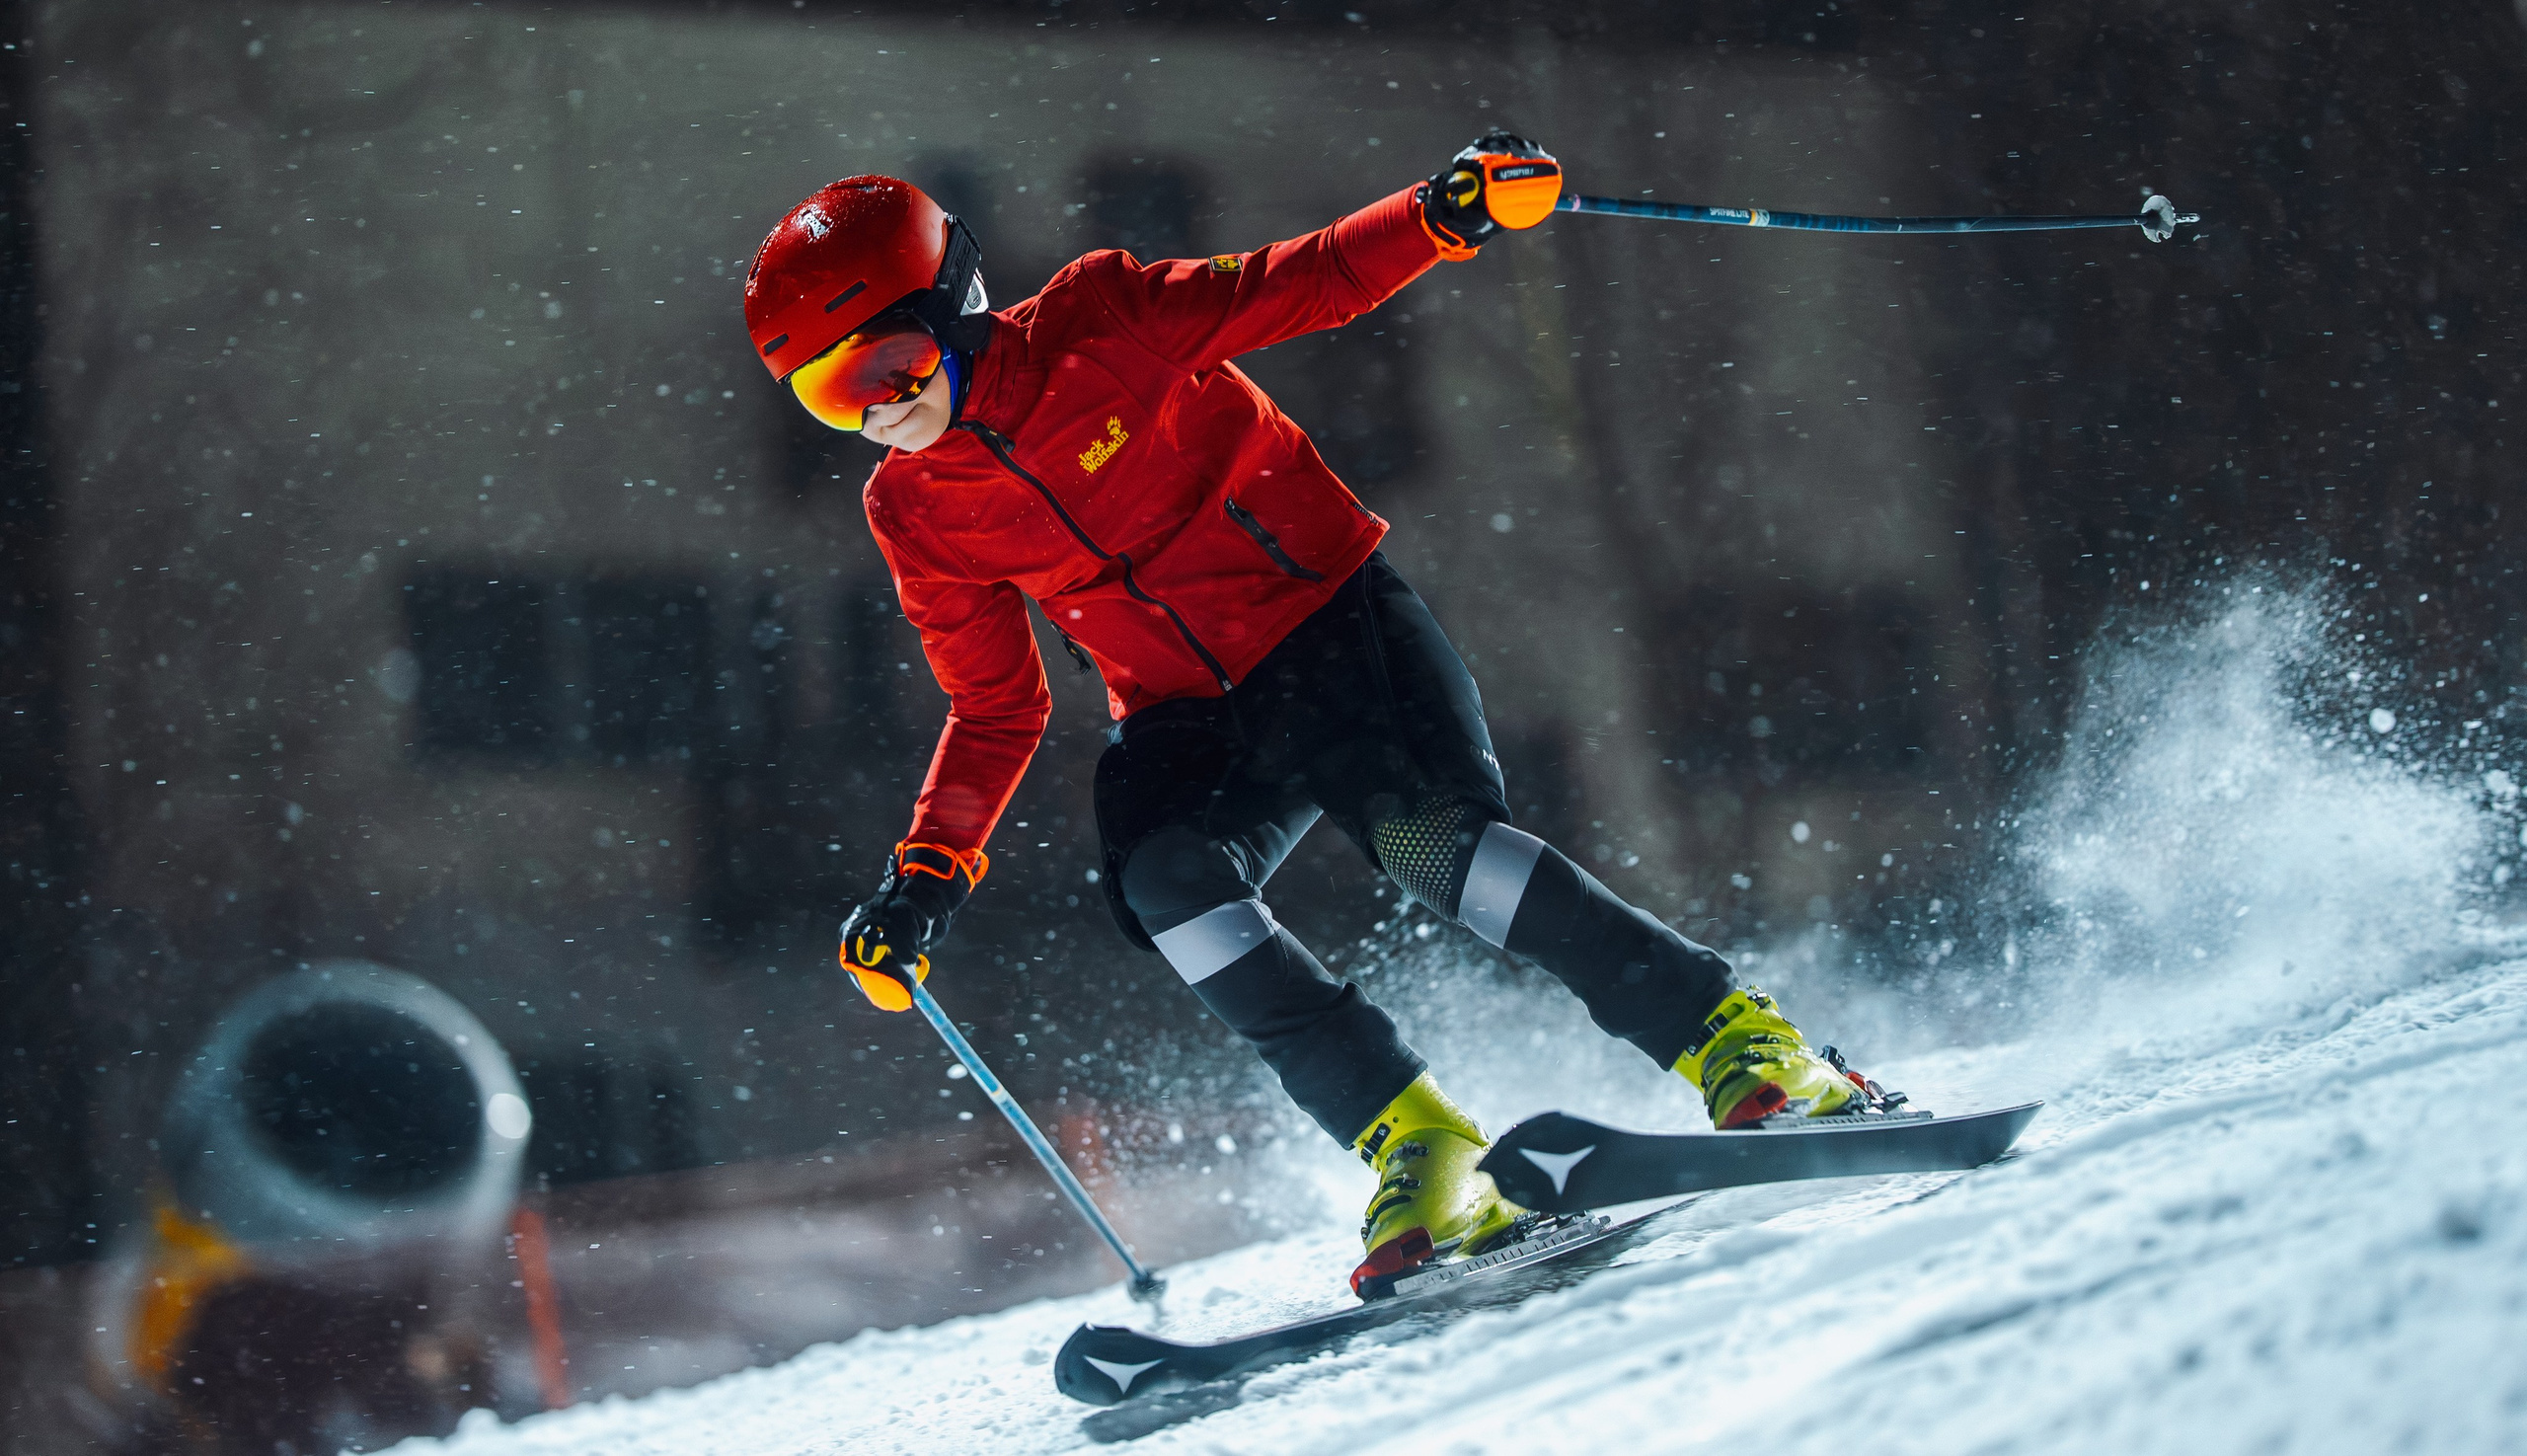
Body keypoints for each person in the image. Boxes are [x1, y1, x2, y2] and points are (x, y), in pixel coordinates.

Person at [740, 136, 1867, 1291]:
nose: (876, 412)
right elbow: (993, 705)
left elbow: (1307, 278)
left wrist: (1444, 212)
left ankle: (1741, 1043)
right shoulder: (914, 508)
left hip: (1327, 627)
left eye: (888, 365)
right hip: (1187, 710)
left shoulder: (1102, 317)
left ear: (959, 307)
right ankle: (1415, 1142)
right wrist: (927, 872)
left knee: (1436, 853)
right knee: (1166, 878)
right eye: (832, 397)